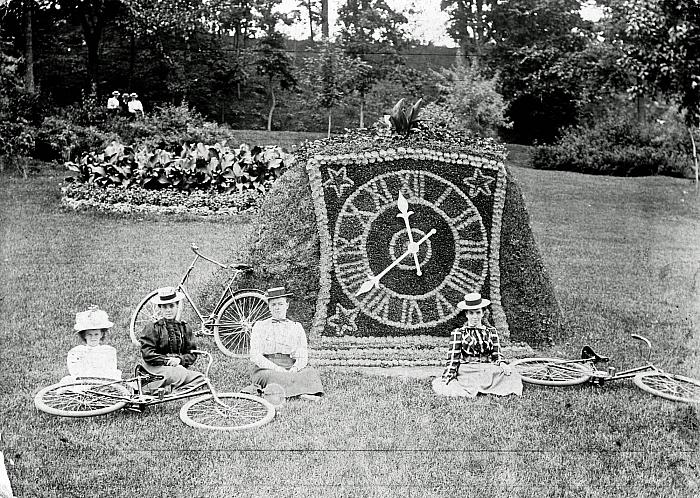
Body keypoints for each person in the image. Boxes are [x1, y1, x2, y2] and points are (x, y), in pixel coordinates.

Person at [432, 293, 523, 398]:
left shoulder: (491, 331)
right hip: (468, 369)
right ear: (466, 314)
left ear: (483, 313)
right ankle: (482, 387)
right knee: (454, 384)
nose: (475, 317)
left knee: (512, 373)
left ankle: (485, 386)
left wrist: (502, 364)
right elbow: (453, 359)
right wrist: (448, 377)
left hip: (486, 368)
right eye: (471, 313)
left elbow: (496, 354)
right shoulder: (459, 333)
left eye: (478, 313)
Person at [245, 286, 324, 401]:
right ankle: (301, 395)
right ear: (269, 307)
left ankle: (288, 391)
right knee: (272, 376)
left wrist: (295, 368)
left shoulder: (296, 327)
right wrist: (276, 368)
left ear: (287, 305)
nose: (277, 308)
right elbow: (255, 355)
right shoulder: (260, 326)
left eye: (280, 304)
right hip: (267, 367)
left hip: (289, 365)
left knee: (310, 372)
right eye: (273, 305)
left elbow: (302, 352)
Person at [138, 287, 204, 393]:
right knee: (192, 377)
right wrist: (168, 361)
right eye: (164, 307)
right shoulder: (153, 328)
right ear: (160, 308)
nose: (168, 310)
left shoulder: (184, 327)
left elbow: (192, 353)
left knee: (201, 379)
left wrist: (179, 360)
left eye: (171, 306)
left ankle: (171, 390)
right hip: (155, 369)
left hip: (177, 368)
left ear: (177, 306)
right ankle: (166, 388)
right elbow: (147, 354)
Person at [60, 306, 121, 384]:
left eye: (96, 334)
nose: (93, 338)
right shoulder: (77, 352)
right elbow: (74, 370)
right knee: (67, 382)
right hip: (83, 381)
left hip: (104, 381)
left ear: (101, 334)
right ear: (84, 335)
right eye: (89, 335)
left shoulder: (108, 351)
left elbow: (111, 369)